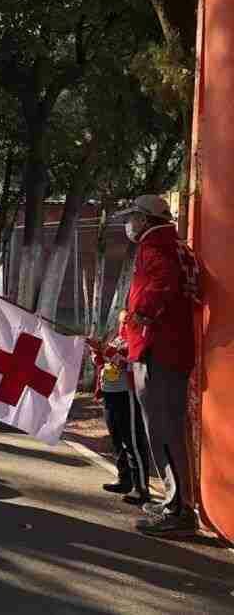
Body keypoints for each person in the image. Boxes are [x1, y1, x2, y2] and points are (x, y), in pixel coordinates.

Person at [117, 194, 198, 537]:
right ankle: (174, 501)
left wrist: (135, 320)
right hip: (170, 348)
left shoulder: (155, 248)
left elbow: (157, 292)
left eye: (134, 215)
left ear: (147, 219)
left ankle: (179, 509)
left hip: (157, 350)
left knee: (163, 430)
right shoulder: (177, 246)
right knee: (169, 429)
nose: (130, 222)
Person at [87, 311, 151, 507]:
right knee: (117, 440)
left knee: (132, 441)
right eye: (122, 321)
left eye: (127, 321)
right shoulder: (116, 339)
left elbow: (131, 365)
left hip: (127, 394)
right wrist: (96, 352)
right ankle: (124, 479)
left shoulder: (138, 340)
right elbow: (102, 363)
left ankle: (141, 488)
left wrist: (107, 352)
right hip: (110, 393)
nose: (123, 324)